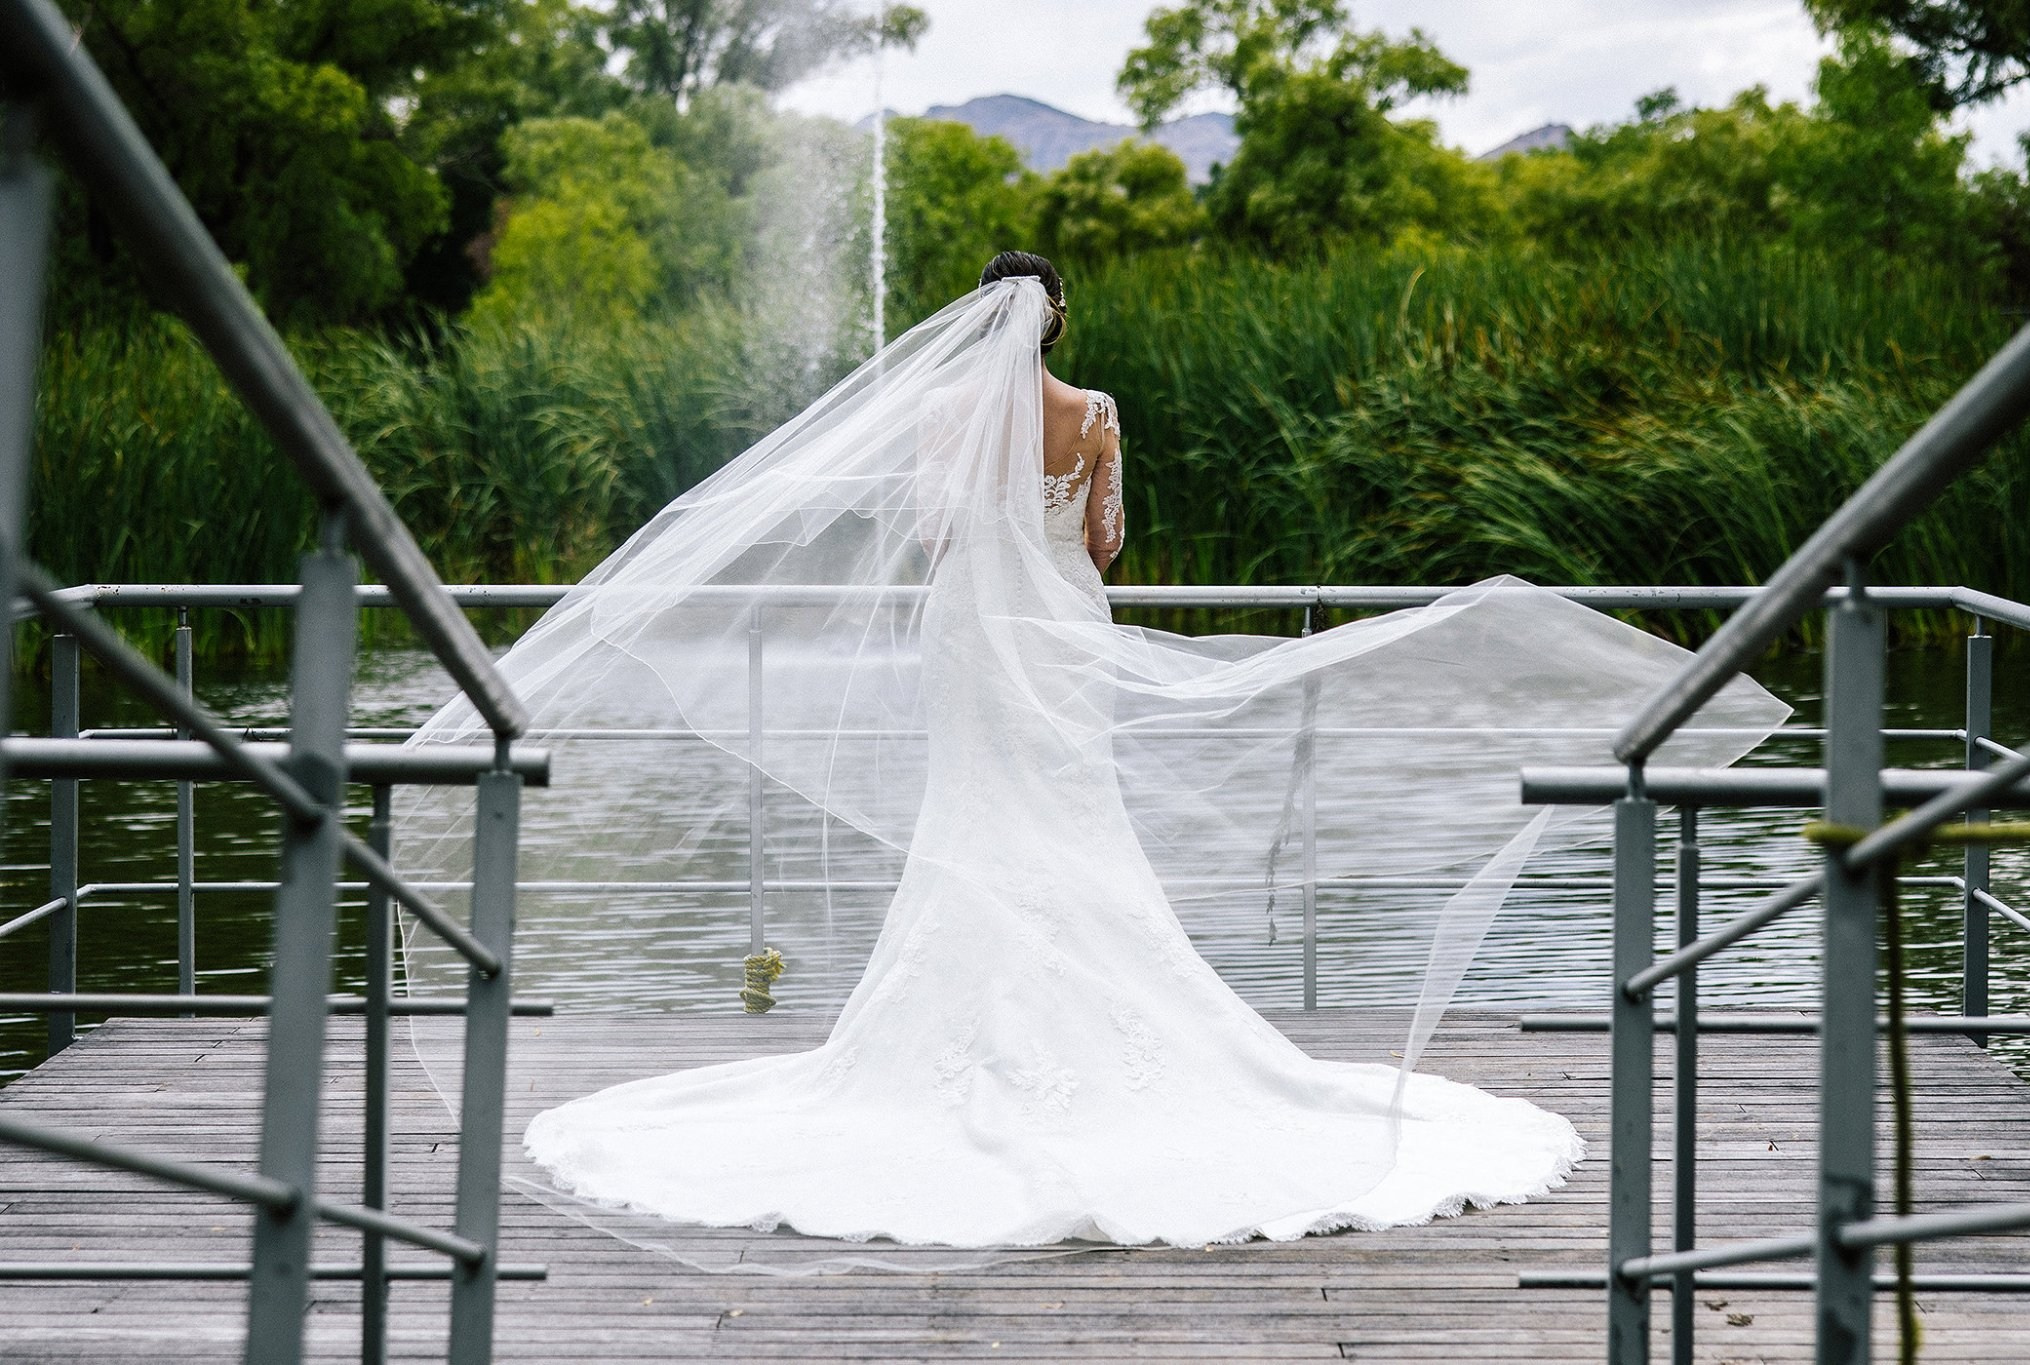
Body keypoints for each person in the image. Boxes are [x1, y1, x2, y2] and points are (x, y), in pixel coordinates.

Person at [405, 252, 1788, 1249]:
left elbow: (940, 538)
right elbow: (1110, 546)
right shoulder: (1096, 411)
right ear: (1060, 318)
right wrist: (1062, 512)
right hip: (1058, 631)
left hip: (968, 633)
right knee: (1070, 817)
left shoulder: (949, 415)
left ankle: (947, 1038)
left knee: (975, 813)